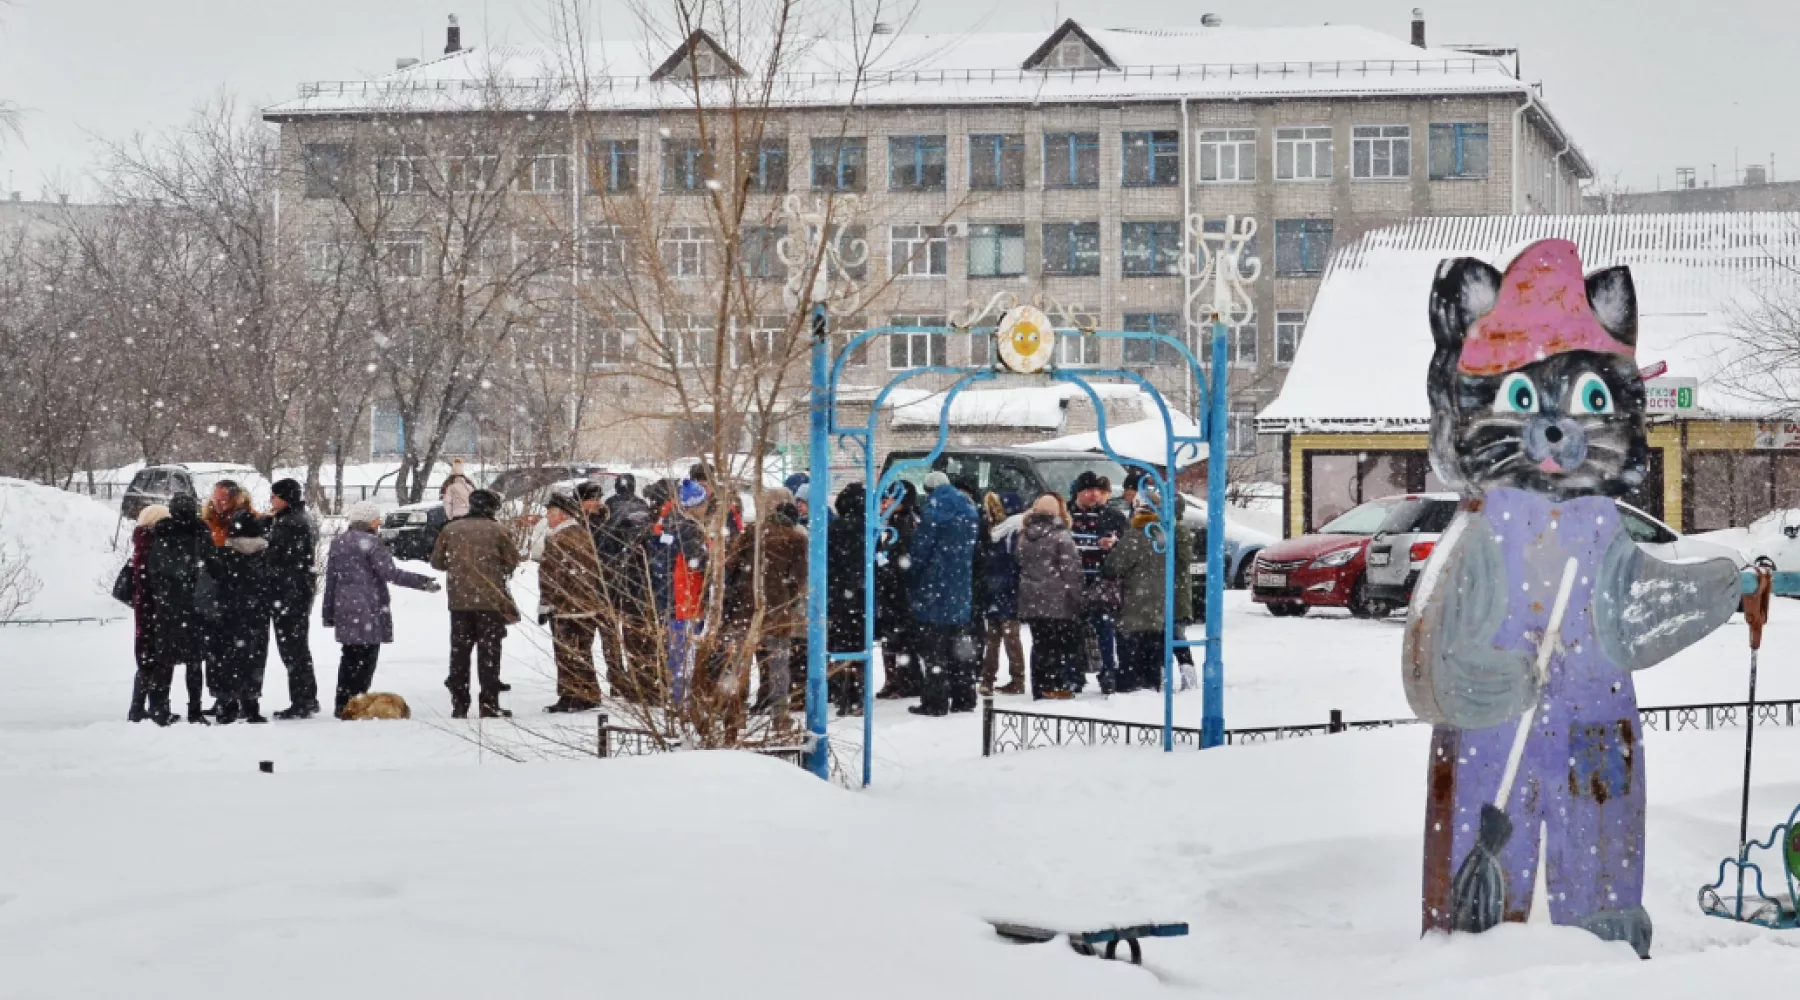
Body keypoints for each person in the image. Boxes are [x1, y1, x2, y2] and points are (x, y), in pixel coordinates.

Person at [322, 501, 440, 717]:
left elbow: (331, 579)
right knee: (367, 657)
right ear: (369, 521)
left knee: (348, 656)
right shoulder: (372, 543)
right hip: (368, 607)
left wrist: (328, 612)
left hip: (345, 606)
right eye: (377, 519)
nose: (379, 523)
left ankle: (342, 703)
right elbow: (391, 574)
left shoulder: (338, 542)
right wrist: (422, 582)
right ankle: (358, 701)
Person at [429, 488, 521, 718]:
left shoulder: (451, 529)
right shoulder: (499, 531)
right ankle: (489, 703)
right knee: (489, 653)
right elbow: (511, 562)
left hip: (459, 602)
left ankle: (459, 703)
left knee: (459, 653)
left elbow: (437, 562)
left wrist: (460, 567)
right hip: (490, 602)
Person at [722, 488, 807, 730]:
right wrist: (787, 600)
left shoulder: (752, 532)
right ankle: (780, 716)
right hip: (777, 612)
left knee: (739, 663)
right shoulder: (797, 539)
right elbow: (799, 580)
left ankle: (734, 713)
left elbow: (730, 564)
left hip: (744, 608)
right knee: (778, 665)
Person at [1102, 488, 1194, 694]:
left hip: (1133, 612)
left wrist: (1112, 551)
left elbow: (1113, 567)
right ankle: (1155, 686)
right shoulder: (1164, 536)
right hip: (1158, 612)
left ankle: (1133, 689)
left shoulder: (1134, 537)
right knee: (1154, 659)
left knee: (1131, 665)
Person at [907, 471, 980, 717]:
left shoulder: (933, 512)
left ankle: (935, 702)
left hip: (933, 588)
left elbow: (921, 551)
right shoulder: (969, 510)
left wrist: (911, 572)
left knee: (934, 650)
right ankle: (965, 697)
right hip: (960, 589)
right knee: (960, 648)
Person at [141, 494, 214, 724]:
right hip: (195, 606)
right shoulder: (200, 532)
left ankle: (161, 709)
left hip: (168, 607)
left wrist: (162, 594)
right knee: (195, 663)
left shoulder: (161, 534)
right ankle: (195, 710)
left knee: (165, 661)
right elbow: (213, 565)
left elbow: (153, 569)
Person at [201, 510, 273, 724]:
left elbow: (207, 591)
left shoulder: (221, 556)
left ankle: (226, 704)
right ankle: (251, 705)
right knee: (254, 659)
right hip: (256, 619)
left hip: (225, 619)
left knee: (224, 660)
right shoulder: (265, 558)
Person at [539, 492, 607, 713]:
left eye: (550, 513)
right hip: (587, 604)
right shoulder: (583, 534)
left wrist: (546, 602)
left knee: (567, 653)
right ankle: (589, 694)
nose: (547, 517)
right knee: (582, 651)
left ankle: (571, 697)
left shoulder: (558, 539)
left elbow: (551, 576)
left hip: (567, 606)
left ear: (561, 515)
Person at [1015, 493, 1084, 700]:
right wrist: (1078, 597)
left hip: (1031, 598)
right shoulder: (1061, 536)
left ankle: (1039, 685)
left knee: (1039, 643)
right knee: (1056, 645)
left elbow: (1019, 561)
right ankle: (1054, 685)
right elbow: (1071, 570)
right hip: (1057, 600)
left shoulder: (1024, 535)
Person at [649, 479, 710, 704]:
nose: (705, 509)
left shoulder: (668, 526)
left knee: (677, 653)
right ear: (695, 506)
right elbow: (701, 562)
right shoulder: (689, 529)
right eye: (703, 504)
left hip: (671, 597)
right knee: (685, 654)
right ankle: (682, 700)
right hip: (686, 598)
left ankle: (678, 697)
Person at [265, 478, 321, 720]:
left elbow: (275, 559)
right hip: (298, 592)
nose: (271, 500)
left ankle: (301, 700)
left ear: (285, 498)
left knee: (292, 650)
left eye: (274, 496)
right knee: (299, 649)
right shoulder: (302, 518)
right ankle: (308, 697)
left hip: (287, 594)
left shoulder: (288, 524)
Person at [1069, 471, 1128, 694]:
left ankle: (1108, 673)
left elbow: (1127, 542)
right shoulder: (1067, 514)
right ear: (1078, 493)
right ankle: (1074, 674)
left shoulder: (1111, 515)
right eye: (1088, 490)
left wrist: (1114, 544)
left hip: (1101, 582)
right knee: (1073, 631)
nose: (1094, 494)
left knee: (1104, 628)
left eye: (1097, 490)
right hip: (1073, 582)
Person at [600, 476, 657, 700]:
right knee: (637, 633)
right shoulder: (643, 508)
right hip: (640, 580)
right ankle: (641, 678)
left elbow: (603, 544)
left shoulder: (609, 508)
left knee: (611, 633)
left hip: (612, 577)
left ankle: (617, 679)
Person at [873, 480, 920, 700]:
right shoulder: (889, 523)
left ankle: (906, 680)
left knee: (902, 637)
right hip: (890, 589)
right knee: (890, 637)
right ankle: (893, 679)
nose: (884, 504)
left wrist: (887, 565)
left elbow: (905, 559)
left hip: (901, 590)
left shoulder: (906, 524)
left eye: (888, 499)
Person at [825, 483, 869, 716]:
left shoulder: (835, 529)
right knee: (859, 647)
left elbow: (828, 562)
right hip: (862, 598)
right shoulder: (867, 528)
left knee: (839, 645)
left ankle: (842, 694)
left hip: (838, 596)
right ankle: (859, 695)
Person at [126, 504, 171, 722]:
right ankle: (158, 707)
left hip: (142, 608)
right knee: (158, 657)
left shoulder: (140, 541)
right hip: (155, 607)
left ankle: (138, 707)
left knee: (145, 657)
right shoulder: (155, 543)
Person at [979, 492, 1027, 696]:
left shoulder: (1008, 531)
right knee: (1004, 637)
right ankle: (1007, 678)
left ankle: (998, 678)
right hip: (1004, 589)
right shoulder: (1010, 530)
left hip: (1002, 589)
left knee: (1001, 638)